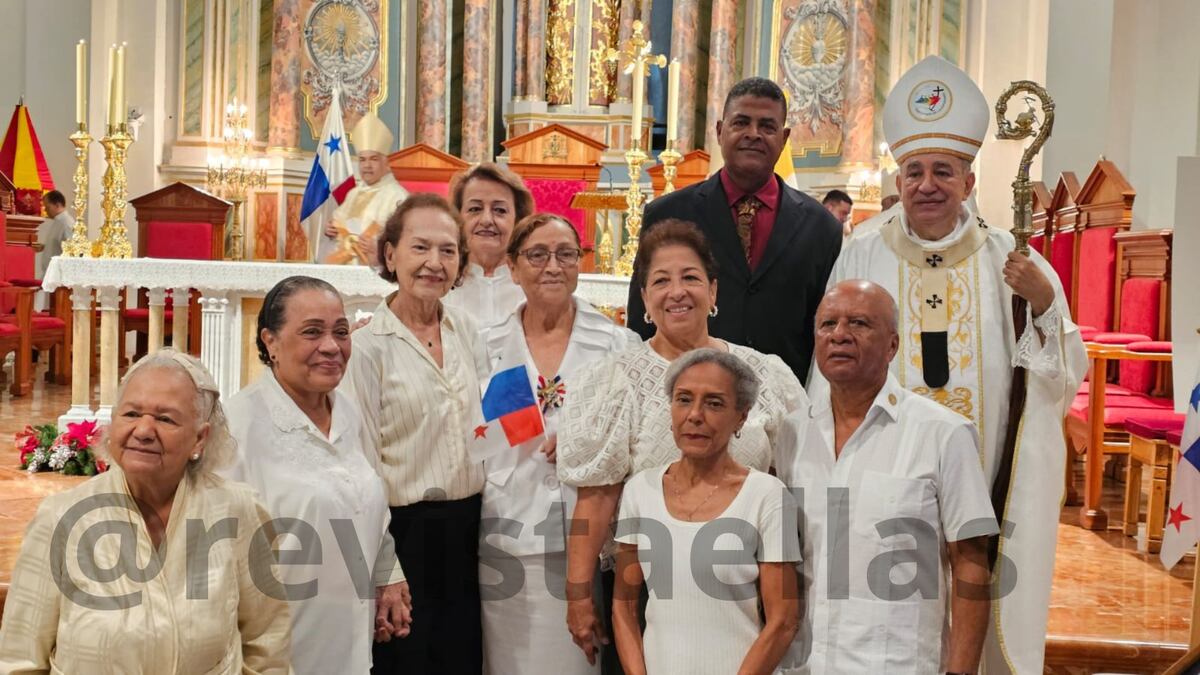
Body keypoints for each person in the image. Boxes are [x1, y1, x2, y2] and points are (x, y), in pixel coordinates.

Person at [810, 55, 1087, 674]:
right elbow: (823, 364)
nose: (927, 184)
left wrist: (1042, 305)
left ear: (968, 179)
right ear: (899, 177)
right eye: (914, 171)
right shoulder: (861, 251)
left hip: (978, 480)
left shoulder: (1007, 256)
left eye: (944, 170)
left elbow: (1063, 373)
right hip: (881, 492)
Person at [558, 218, 807, 670]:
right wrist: (578, 596)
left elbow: (792, 479)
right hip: (650, 595)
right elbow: (594, 501)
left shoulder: (763, 373)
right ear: (645, 300)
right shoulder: (618, 380)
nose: (677, 291)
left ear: (713, 292)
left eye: (690, 277)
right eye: (661, 281)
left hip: (749, 585)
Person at [0, 349, 292, 674]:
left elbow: (268, 645)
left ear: (199, 438)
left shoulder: (238, 511)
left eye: (165, 419)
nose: (143, 430)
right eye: (131, 414)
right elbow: (18, 660)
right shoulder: (61, 518)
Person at [778, 280, 996, 672]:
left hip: (897, 662)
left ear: (893, 345)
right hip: (805, 662)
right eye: (828, 325)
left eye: (859, 323)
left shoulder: (943, 434)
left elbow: (971, 561)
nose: (839, 335)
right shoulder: (791, 435)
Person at [224, 275, 411, 674]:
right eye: (312, 332)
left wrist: (385, 575)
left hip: (350, 635)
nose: (331, 346)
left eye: (341, 332)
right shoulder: (237, 426)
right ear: (270, 341)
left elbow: (369, 507)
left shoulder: (346, 410)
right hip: (278, 646)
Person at [478, 213, 636, 675]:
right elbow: (470, 429)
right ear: (513, 266)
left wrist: (583, 435)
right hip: (507, 532)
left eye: (566, 254)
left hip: (585, 538)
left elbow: (636, 435)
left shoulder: (617, 344)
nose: (553, 266)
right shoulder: (485, 344)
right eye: (537, 254)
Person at [340, 193, 486, 674]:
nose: (434, 263)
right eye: (420, 247)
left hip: (471, 534)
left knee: (463, 661)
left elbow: (497, 428)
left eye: (448, 250)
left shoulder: (468, 331)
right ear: (390, 255)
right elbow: (361, 467)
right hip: (404, 536)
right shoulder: (366, 348)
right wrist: (386, 570)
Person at [626, 77, 843, 383]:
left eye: (767, 126)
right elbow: (642, 317)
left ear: (784, 138)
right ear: (719, 131)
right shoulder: (668, 213)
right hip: (684, 399)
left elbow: (825, 328)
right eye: (741, 122)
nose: (753, 134)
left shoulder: (821, 227)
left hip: (782, 402)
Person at [612, 348, 801, 675]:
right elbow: (623, 605)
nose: (695, 415)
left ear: (741, 416)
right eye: (684, 399)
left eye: (714, 403)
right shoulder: (639, 491)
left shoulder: (767, 496)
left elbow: (783, 621)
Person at [443, 163, 535, 327]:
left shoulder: (534, 284)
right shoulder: (440, 282)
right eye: (475, 209)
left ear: (518, 220)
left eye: (499, 210)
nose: (486, 220)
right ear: (457, 219)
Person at [319, 112, 409, 266]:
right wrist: (332, 231)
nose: (367, 165)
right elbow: (339, 227)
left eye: (374, 159)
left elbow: (406, 240)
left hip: (378, 269)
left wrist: (379, 247)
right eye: (362, 160)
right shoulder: (354, 194)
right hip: (344, 269)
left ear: (386, 163)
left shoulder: (398, 197)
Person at [35, 190, 73, 278]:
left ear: (57, 205)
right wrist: (45, 247)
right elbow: (59, 243)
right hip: (51, 273)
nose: (45, 210)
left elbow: (70, 250)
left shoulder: (67, 223)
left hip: (59, 275)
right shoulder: (58, 221)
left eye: (47, 207)